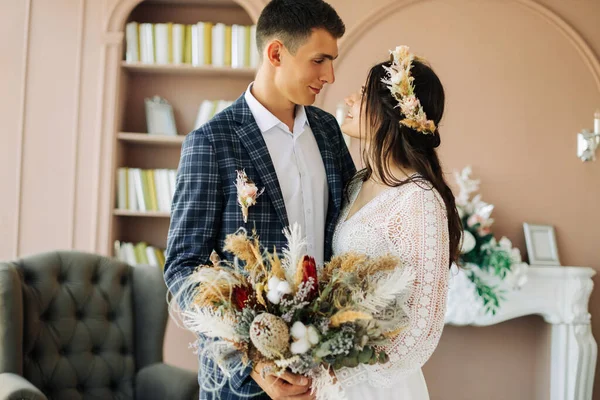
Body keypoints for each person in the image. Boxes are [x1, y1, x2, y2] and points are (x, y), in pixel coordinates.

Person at [163, 0, 356, 399]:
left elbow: (348, 231)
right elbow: (183, 268)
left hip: (325, 375)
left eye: (332, 61)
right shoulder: (210, 142)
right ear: (276, 54)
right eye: (319, 60)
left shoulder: (329, 131)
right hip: (244, 387)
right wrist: (251, 361)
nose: (330, 75)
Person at [332, 46, 462, 400]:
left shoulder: (419, 199)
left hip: (378, 385)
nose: (349, 98)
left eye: (361, 94)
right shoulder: (356, 183)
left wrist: (357, 370)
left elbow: (422, 325)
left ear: (390, 112)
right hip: (330, 373)